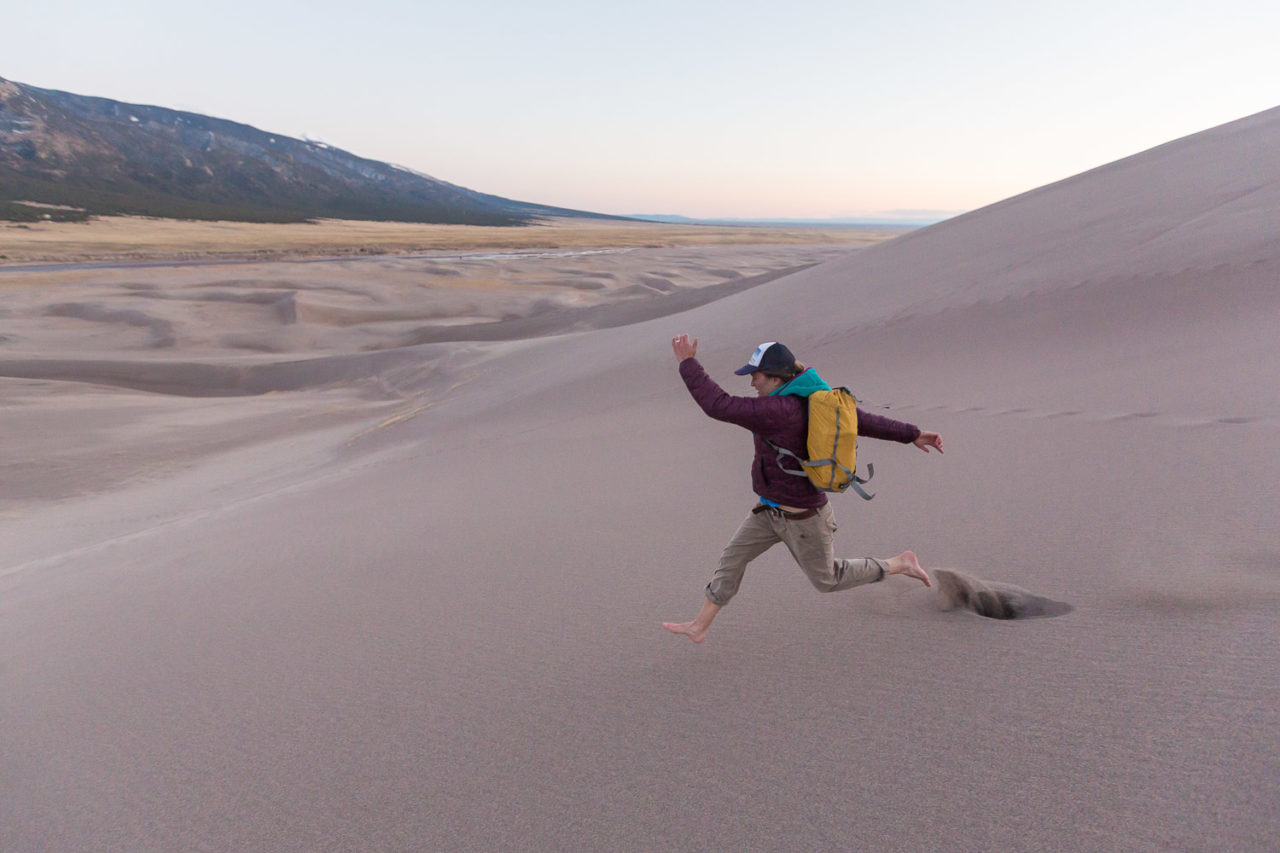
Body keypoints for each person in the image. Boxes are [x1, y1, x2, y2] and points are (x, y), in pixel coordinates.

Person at [663, 335, 944, 643]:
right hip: (768, 511)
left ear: (775, 377)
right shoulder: (812, 398)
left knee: (827, 580)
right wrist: (912, 434)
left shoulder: (779, 410)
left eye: (755, 376)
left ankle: (898, 563)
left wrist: (687, 363)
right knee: (732, 559)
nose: (752, 383)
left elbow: (718, 405)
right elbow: (863, 421)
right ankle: (700, 626)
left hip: (804, 519)